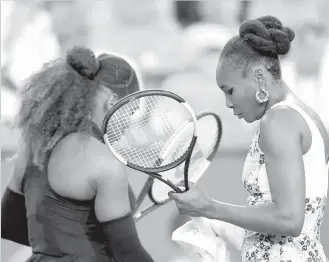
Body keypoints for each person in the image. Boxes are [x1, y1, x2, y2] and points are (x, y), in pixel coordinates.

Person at [169, 16, 329, 262]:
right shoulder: (308, 116)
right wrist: (215, 221)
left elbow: (289, 220)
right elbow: (292, 229)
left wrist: (209, 207)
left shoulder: (277, 123)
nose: (228, 103)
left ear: (258, 78)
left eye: (229, 90)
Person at [1, 46, 154, 262]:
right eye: (130, 111)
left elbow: (8, 225)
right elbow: (128, 254)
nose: (128, 124)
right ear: (112, 102)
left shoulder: (32, 147)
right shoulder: (104, 162)